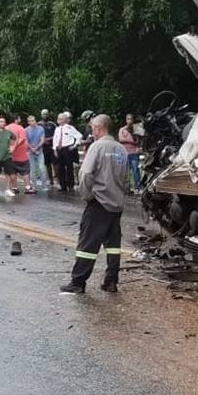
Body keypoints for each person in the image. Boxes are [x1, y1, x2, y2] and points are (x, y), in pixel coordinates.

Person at [60, 115, 128, 294]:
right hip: (116, 203)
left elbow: (86, 174)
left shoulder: (97, 147)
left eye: (92, 128)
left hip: (99, 202)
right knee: (113, 244)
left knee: (88, 244)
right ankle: (111, 281)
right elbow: (125, 177)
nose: (91, 131)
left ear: (98, 128)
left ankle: (78, 282)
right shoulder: (121, 149)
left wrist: (87, 195)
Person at [53, 112, 82, 192]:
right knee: (60, 167)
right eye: (58, 118)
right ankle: (63, 185)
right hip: (59, 149)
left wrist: (75, 145)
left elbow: (79, 136)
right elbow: (55, 140)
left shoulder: (70, 128)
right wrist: (55, 149)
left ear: (65, 120)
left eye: (61, 119)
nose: (59, 120)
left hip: (67, 149)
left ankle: (70, 185)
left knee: (69, 167)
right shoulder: (57, 129)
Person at [7, 115, 33, 194]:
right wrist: (14, 147)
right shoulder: (20, 128)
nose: (20, 119)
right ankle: (28, 187)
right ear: (16, 119)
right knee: (25, 171)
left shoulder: (6, 128)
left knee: (13, 172)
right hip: (21, 154)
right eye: (19, 118)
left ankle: (14, 188)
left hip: (10, 155)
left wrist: (10, 148)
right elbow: (21, 139)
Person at [119, 113, 142, 192]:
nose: (129, 121)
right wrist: (132, 141)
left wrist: (138, 145)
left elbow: (139, 140)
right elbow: (121, 139)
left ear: (133, 120)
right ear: (126, 120)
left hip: (134, 152)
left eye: (131, 119)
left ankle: (137, 187)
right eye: (128, 119)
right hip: (125, 152)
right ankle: (126, 188)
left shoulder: (137, 129)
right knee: (125, 171)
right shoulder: (122, 129)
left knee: (136, 170)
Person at [25, 115, 47, 191]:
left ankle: (44, 185)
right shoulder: (26, 130)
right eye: (30, 121)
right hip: (30, 152)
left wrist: (36, 147)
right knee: (32, 169)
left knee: (42, 168)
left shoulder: (41, 129)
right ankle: (33, 185)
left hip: (39, 151)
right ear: (28, 122)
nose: (32, 122)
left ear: (35, 121)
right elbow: (26, 141)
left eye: (33, 120)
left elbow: (42, 140)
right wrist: (32, 148)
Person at [39, 109, 57, 188]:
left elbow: (57, 134)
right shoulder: (39, 125)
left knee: (55, 163)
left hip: (52, 146)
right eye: (43, 114)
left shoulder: (52, 124)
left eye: (46, 114)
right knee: (47, 164)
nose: (45, 116)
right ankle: (50, 180)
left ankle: (57, 178)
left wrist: (50, 139)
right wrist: (43, 140)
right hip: (44, 147)